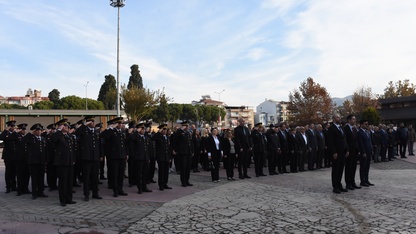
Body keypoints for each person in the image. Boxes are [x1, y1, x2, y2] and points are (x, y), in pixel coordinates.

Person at [75, 116, 103, 201]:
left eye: (93, 121)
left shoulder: (96, 132)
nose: (93, 123)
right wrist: (84, 125)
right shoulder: (84, 130)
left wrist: (101, 155)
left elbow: (99, 144)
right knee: (86, 177)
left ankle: (95, 193)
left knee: (95, 177)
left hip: (95, 158)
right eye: (91, 122)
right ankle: (86, 194)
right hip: (86, 158)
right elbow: (77, 133)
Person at [51, 118, 76, 206]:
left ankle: (69, 199)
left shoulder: (68, 136)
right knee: (63, 182)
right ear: (61, 126)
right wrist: (58, 130)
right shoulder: (58, 135)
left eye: (67, 126)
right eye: (65, 125)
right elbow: (53, 140)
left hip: (69, 162)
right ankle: (63, 200)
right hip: (61, 162)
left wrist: (73, 160)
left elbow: (72, 149)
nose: (67, 127)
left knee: (69, 182)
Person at [101, 117, 128, 197]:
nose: (120, 125)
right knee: (115, 174)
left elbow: (124, 144)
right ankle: (115, 190)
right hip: (114, 156)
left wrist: (126, 154)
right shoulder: (111, 132)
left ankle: (120, 189)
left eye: (121, 123)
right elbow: (103, 136)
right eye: (119, 123)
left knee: (120, 174)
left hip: (122, 156)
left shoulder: (122, 132)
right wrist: (111, 128)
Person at [327, 114, 349, 194]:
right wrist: (334, 152)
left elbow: (344, 139)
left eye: (339, 117)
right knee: (335, 169)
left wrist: (347, 149)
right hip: (336, 152)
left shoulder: (341, 128)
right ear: (333, 119)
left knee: (340, 169)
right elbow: (331, 141)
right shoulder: (331, 128)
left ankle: (339, 184)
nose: (339, 118)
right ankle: (335, 186)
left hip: (343, 151)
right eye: (337, 117)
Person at [25, 123, 48, 199]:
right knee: (34, 178)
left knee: (41, 178)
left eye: (40, 130)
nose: (38, 132)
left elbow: (45, 150)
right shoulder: (30, 138)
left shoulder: (43, 139)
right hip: (33, 162)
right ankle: (34, 193)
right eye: (37, 131)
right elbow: (23, 141)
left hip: (41, 162)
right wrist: (30, 133)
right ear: (34, 131)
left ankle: (41, 192)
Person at [172, 121, 194, 187]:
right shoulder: (179, 132)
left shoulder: (188, 133)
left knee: (188, 167)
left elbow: (191, 142)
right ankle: (183, 181)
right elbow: (175, 138)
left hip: (188, 152)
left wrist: (192, 151)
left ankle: (187, 180)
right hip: (182, 152)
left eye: (187, 126)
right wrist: (180, 129)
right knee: (183, 167)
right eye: (186, 126)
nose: (187, 127)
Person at [343, 115, 361, 190]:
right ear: (349, 120)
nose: (354, 121)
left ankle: (353, 182)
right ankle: (348, 183)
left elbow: (357, 139)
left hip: (355, 150)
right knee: (348, 167)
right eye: (353, 119)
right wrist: (346, 150)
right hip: (349, 150)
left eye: (355, 119)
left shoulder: (355, 128)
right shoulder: (345, 129)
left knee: (354, 167)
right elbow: (345, 140)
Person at [152, 124, 172, 191]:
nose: (165, 131)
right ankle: (161, 185)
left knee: (166, 171)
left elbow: (169, 148)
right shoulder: (159, 137)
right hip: (160, 157)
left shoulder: (167, 137)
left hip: (166, 157)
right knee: (161, 172)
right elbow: (153, 138)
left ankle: (165, 183)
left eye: (165, 129)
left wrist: (170, 157)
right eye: (163, 129)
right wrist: (158, 132)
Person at [0, 120, 18, 193]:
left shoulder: (15, 133)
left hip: (15, 155)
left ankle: (13, 186)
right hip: (8, 155)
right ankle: (8, 186)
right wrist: (5, 131)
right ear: (9, 127)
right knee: (8, 172)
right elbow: (1, 138)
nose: (13, 128)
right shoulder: (6, 133)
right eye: (12, 126)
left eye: (14, 126)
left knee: (14, 171)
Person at [356, 120, 374, 187]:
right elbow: (360, 144)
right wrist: (363, 152)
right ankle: (362, 181)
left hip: (369, 151)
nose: (367, 125)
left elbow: (369, 142)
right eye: (365, 124)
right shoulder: (359, 133)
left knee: (367, 167)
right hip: (364, 152)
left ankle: (366, 179)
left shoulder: (367, 132)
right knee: (363, 166)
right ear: (361, 124)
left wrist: (371, 150)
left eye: (367, 124)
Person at [15, 123, 31, 196]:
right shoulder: (16, 136)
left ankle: (25, 188)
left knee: (26, 174)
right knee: (20, 175)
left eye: (25, 129)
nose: (24, 131)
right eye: (22, 129)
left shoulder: (27, 137)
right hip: (19, 159)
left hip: (26, 158)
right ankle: (19, 189)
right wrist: (16, 132)